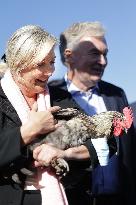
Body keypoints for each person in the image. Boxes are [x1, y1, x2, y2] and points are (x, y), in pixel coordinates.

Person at [38, 21, 136, 205]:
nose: (103, 61)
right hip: (73, 199)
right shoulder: (48, 96)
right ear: (69, 56)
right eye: (95, 53)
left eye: (105, 54)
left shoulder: (116, 94)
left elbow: (130, 151)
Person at [0, 25, 71, 205]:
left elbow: (96, 139)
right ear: (18, 64)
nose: (50, 71)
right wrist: (30, 130)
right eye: (41, 64)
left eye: (52, 62)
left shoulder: (60, 96)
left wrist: (65, 153)